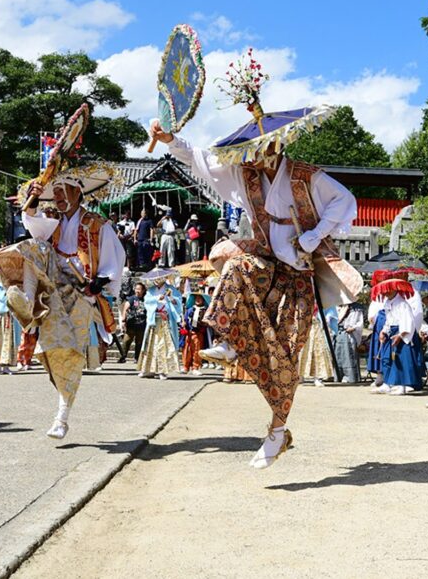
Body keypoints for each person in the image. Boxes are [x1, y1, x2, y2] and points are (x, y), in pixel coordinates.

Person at [152, 104, 358, 469]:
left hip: (297, 272)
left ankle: (278, 432)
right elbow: (201, 159)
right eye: (254, 149)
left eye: (263, 149)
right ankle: (228, 341)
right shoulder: (244, 174)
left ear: (277, 146)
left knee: (286, 353)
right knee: (234, 265)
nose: (257, 157)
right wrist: (170, 140)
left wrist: (312, 236)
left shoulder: (306, 176)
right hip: (265, 260)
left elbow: (345, 200)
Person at [0, 111, 125, 440]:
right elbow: (33, 226)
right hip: (53, 286)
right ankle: (27, 299)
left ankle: (62, 414)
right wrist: (31, 205)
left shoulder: (99, 226)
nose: (57, 197)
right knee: (35, 245)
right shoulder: (55, 224)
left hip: (82, 290)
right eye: (55, 192)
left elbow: (113, 266)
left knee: (66, 353)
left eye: (63, 191)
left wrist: (95, 287)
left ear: (78, 192)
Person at [373, 277, 418, 396]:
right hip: (391, 331)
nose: (385, 293)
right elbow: (389, 319)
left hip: (400, 331)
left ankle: (402, 385)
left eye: (387, 290)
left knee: (400, 359)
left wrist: (401, 335)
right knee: (387, 358)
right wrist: (384, 331)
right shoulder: (388, 302)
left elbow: (408, 321)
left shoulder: (402, 303)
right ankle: (387, 383)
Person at [137, 271, 182, 379]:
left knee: (164, 344)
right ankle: (148, 369)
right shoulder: (151, 291)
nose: (156, 281)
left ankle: (163, 370)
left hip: (166, 320)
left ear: (164, 278)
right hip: (154, 319)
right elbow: (147, 302)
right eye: (155, 279)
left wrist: (170, 298)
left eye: (159, 278)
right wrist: (157, 300)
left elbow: (178, 304)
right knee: (150, 344)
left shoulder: (171, 289)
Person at [0, 283, 23, 374]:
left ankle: (6, 366)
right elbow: (3, 299)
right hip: (1, 316)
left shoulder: (12, 286)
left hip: (11, 317)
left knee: (9, 340)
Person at [299, 308, 337, 386]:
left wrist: (327, 318)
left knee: (318, 351)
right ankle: (300, 375)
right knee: (303, 351)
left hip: (316, 325)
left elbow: (330, 310)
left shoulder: (320, 298)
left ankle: (317, 377)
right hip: (304, 325)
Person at [333, 302, 364, 383]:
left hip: (350, 334)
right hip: (339, 333)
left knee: (349, 354)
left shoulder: (356, 308)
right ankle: (339, 376)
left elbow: (360, 323)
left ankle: (351, 377)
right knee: (338, 355)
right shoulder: (337, 306)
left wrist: (353, 328)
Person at [181, 293, 210, 375]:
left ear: (203, 300)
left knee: (197, 350)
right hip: (189, 333)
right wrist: (183, 323)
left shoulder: (205, 311)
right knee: (187, 349)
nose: (198, 300)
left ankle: (195, 367)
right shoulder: (190, 309)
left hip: (198, 333)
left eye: (200, 298)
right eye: (196, 298)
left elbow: (207, 322)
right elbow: (185, 320)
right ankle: (185, 367)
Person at [119, 282, 147, 363]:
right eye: (136, 289)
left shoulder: (146, 299)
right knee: (126, 341)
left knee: (139, 342)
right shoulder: (131, 298)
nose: (137, 291)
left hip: (142, 324)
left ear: (143, 290)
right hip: (131, 323)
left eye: (139, 289)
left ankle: (137, 358)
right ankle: (123, 356)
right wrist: (124, 319)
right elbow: (125, 308)